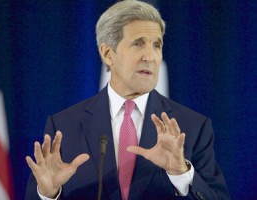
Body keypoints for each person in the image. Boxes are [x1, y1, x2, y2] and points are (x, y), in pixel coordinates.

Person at [25, 0, 230, 199]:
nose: (150, 57)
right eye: (138, 44)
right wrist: (48, 194)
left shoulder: (192, 127)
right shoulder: (64, 126)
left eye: (157, 45)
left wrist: (181, 173)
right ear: (107, 54)